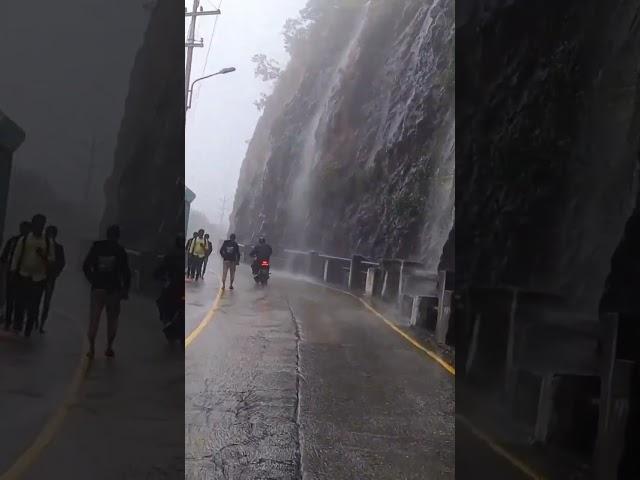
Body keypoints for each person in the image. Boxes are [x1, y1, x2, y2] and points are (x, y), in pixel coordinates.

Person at [82, 225, 131, 358]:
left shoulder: (97, 248)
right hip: (113, 290)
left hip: (97, 289)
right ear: (118, 236)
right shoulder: (120, 251)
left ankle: (91, 348)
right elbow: (126, 272)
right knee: (112, 321)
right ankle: (109, 347)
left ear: (107, 234)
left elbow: (86, 266)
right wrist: (125, 289)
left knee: (94, 319)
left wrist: (92, 280)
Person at [10, 214, 55, 337]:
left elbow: (51, 260)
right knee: (19, 303)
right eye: (37, 224)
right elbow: (16, 256)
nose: (39, 227)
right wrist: (13, 271)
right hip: (23, 275)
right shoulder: (25, 239)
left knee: (34, 305)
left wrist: (43, 255)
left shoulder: (47, 241)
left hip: (39, 278)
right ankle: (18, 324)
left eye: (42, 225)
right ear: (33, 224)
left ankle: (28, 329)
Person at [154, 236, 185, 345]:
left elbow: (161, 269)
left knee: (161, 302)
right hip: (183, 288)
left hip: (174, 286)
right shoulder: (185, 255)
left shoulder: (171, 255)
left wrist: (156, 275)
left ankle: (166, 321)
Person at [1, 221, 30, 330]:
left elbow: (4, 257)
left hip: (18, 274)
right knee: (15, 300)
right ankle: (13, 322)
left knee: (16, 300)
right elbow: (4, 257)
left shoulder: (15, 241)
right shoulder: (15, 241)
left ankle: (12, 322)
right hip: (16, 274)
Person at [39, 225, 66, 333]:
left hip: (49, 277)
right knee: (37, 300)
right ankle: (37, 321)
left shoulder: (58, 248)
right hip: (40, 276)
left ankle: (41, 323)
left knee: (46, 302)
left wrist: (55, 273)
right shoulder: (42, 245)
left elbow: (62, 263)